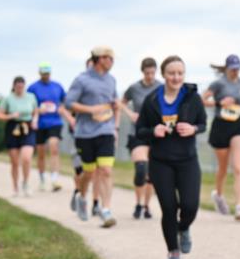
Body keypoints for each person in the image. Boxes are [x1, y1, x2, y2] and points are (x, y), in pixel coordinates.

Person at [135, 56, 207, 259]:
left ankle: (183, 228)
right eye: (171, 73)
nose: (176, 77)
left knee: (190, 205)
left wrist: (193, 129)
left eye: (180, 73)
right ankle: (173, 251)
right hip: (161, 161)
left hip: (187, 160)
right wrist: (153, 131)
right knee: (168, 207)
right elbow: (140, 131)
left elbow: (203, 123)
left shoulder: (192, 97)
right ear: (163, 75)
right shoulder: (151, 100)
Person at [65, 45, 119, 227]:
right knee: (89, 172)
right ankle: (81, 196)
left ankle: (106, 209)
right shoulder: (82, 80)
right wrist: (91, 109)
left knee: (105, 170)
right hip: (85, 132)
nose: (111, 61)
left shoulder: (112, 80)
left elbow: (114, 103)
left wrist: (115, 126)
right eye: (108, 58)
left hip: (106, 130)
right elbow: (69, 103)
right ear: (99, 59)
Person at [203, 54, 240, 220]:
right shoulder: (218, 84)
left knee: (238, 167)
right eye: (233, 69)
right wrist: (219, 103)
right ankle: (218, 194)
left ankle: (239, 207)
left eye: (238, 68)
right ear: (226, 69)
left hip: (237, 124)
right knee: (223, 168)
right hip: (220, 124)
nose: (236, 72)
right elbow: (202, 100)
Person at [120, 57, 161, 220]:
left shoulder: (161, 87)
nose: (150, 76)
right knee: (141, 169)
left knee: (151, 174)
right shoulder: (134, 88)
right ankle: (137, 203)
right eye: (147, 73)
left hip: (156, 134)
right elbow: (121, 103)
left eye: (152, 72)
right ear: (142, 72)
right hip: (137, 133)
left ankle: (146, 205)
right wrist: (130, 114)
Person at [28, 62, 68, 192]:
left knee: (54, 147)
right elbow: (27, 105)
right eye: (44, 74)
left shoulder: (57, 86)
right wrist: (37, 110)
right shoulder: (33, 88)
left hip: (55, 122)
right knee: (41, 153)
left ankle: (55, 179)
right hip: (39, 123)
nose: (46, 76)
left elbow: (65, 101)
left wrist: (62, 108)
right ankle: (42, 179)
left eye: (48, 73)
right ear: (40, 73)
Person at [0, 76, 39, 197]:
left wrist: (35, 120)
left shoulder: (31, 97)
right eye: (18, 86)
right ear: (14, 86)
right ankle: (15, 187)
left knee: (26, 158)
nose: (20, 89)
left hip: (27, 127)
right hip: (13, 127)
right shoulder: (8, 98)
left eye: (22, 86)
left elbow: (36, 111)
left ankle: (25, 182)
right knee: (14, 162)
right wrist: (10, 116)